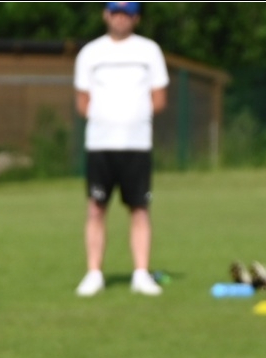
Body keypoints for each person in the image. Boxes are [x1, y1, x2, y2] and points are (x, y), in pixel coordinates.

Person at [73, 1, 168, 298]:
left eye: (127, 13)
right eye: (115, 12)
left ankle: (141, 274)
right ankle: (94, 273)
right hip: (100, 144)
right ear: (106, 14)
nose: (120, 18)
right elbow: (82, 101)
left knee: (139, 208)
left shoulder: (149, 51)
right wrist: (107, 118)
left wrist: (133, 117)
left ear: (136, 18)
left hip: (137, 144)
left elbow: (159, 98)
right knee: (96, 208)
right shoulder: (90, 53)